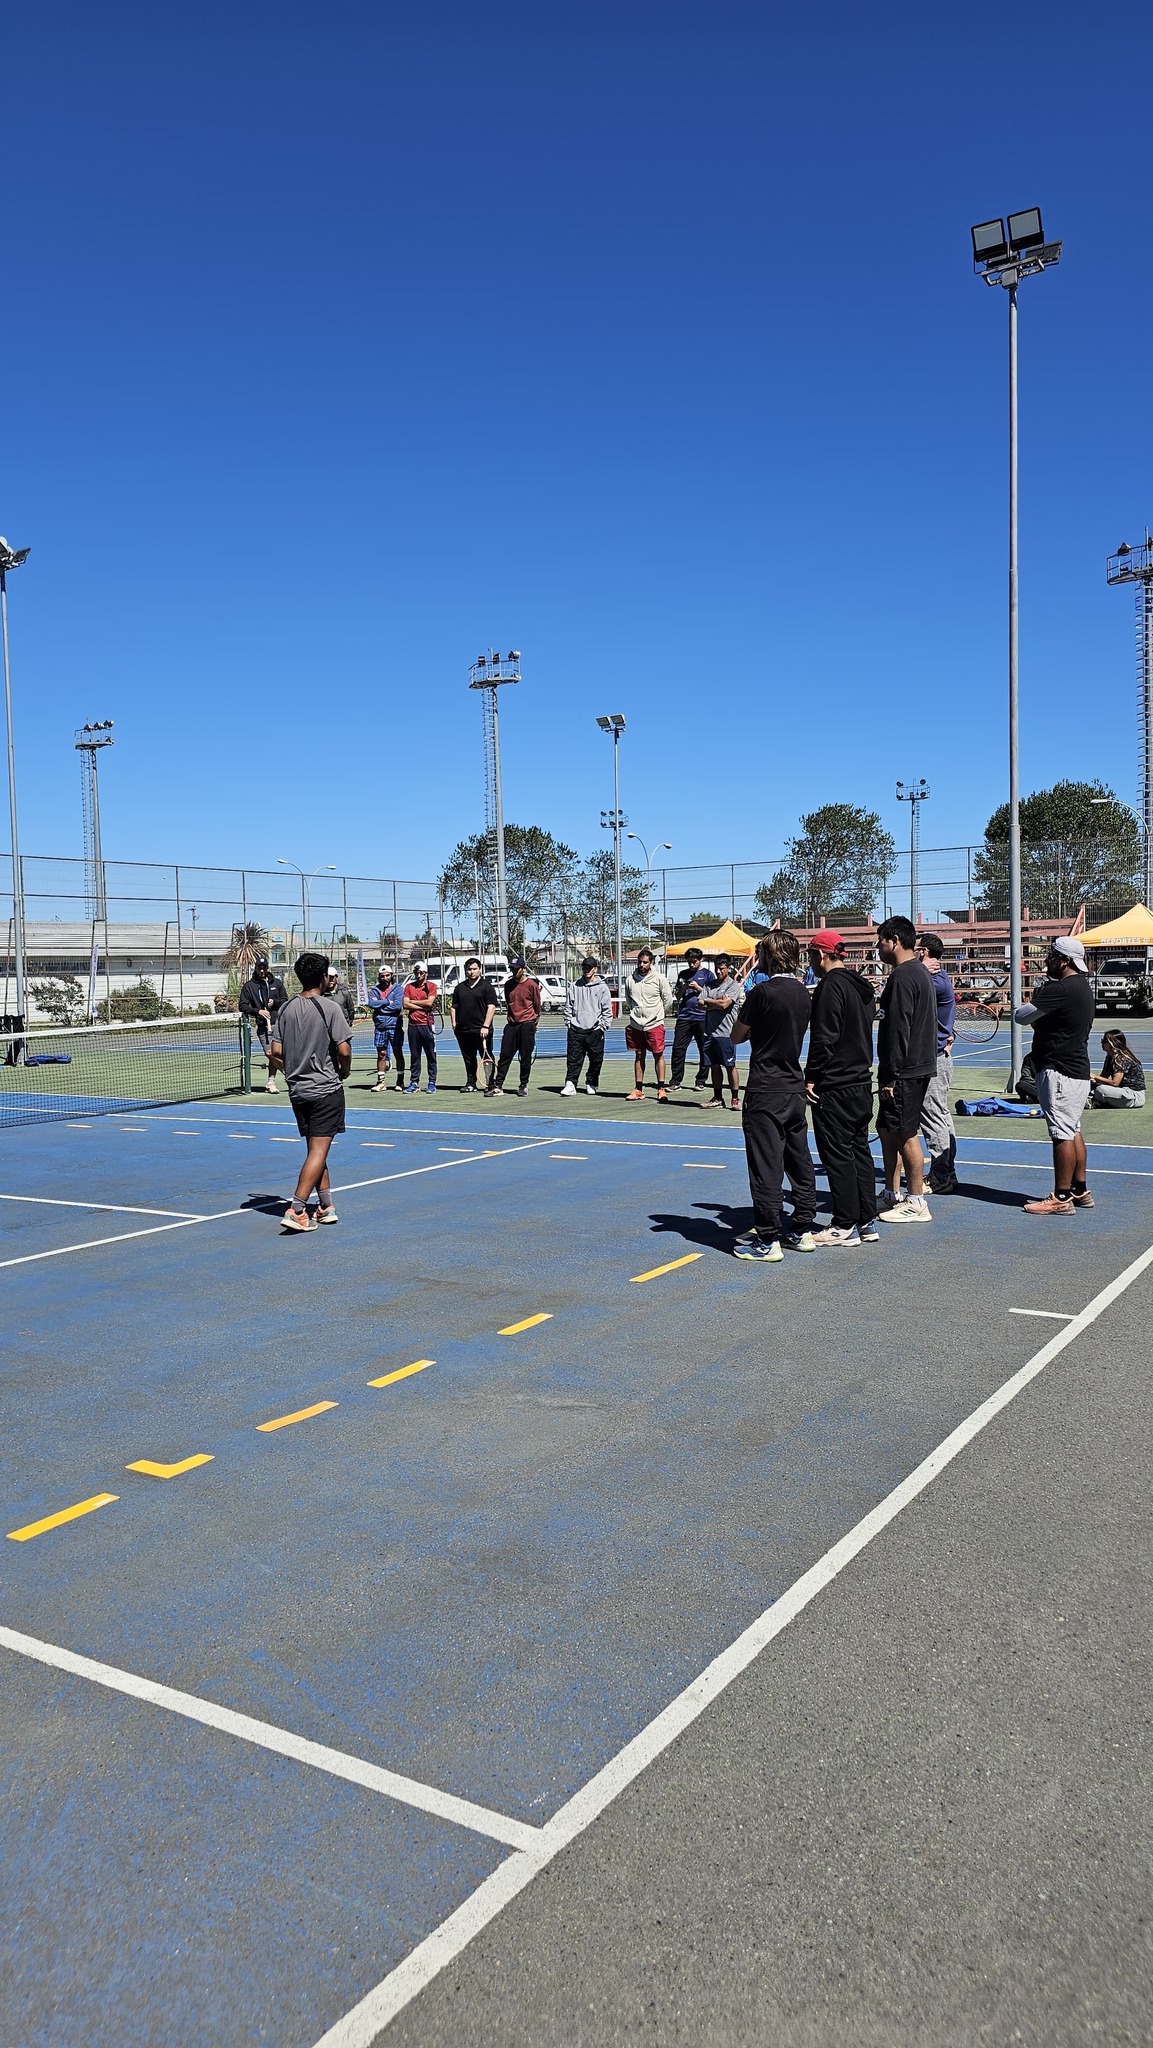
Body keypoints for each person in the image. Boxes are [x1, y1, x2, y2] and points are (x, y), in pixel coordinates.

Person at [729, 931, 817, 1259]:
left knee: (766, 1166)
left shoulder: (761, 992)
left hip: (766, 1087)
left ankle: (768, 1238)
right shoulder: (802, 992)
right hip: (794, 1085)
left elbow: (736, 1035)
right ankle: (802, 1228)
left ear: (768, 956)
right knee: (799, 1160)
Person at [804, 930, 880, 1247]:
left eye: (810, 955)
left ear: (822, 955)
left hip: (835, 1084)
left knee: (836, 1154)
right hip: (860, 1081)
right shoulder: (858, 986)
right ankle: (866, 1220)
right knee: (859, 1151)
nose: (809, 962)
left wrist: (812, 1076)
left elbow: (825, 1038)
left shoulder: (830, 987)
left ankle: (843, 1223)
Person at [270, 952, 352, 1233]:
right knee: (318, 1150)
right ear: (322, 978)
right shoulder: (330, 1008)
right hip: (326, 1090)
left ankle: (326, 1206)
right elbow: (344, 1050)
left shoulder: (286, 1008)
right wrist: (344, 1070)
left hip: (298, 1091)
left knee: (315, 1149)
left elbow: (276, 1052)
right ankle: (297, 1209)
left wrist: (291, 1070)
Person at [1014, 936, 1096, 1213]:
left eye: (1051, 955)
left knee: (1061, 1132)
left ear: (1063, 960)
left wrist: (1037, 1001)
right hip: (1077, 1069)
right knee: (1072, 1128)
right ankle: (1079, 1190)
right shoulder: (1082, 987)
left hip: (1059, 1069)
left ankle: (1061, 1198)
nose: (1047, 960)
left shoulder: (1060, 988)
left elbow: (1021, 1016)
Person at [875, 915, 937, 1222]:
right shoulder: (918, 972)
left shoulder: (903, 977)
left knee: (905, 1133)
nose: (878, 946)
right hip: (912, 1067)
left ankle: (916, 1200)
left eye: (881, 941)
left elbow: (899, 1030)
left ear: (894, 942)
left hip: (905, 1070)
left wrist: (890, 1074)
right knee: (887, 1129)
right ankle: (891, 1192)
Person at [915, 931, 959, 1194]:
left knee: (934, 1117)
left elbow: (907, 989)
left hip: (934, 1058)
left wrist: (916, 969)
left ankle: (942, 1173)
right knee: (940, 1115)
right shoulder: (933, 977)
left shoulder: (934, 981)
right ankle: (946, 1170)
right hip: (937, 1055)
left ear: (924, 952)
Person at [622, 948, 674, 1102]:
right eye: (639, 962)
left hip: (655, 1024)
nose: (642, 965)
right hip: (636, 1025)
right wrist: (636, 1014)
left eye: (645, 962)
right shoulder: (630, 980)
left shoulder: (660, 979)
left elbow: (668, 1000)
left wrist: (659, 1015)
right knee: (639, 1055)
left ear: (651, 963)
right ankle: (638, 1089)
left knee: (658, 1055)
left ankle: (661, 1089)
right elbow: (628, 1000)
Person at [561, 957, 613, 1096]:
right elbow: (568, 1007)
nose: (586, 970)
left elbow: (607, 1010)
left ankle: (591, 1082)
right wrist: (569, 1023)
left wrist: (602, 1027)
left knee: (596, 1060)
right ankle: (570, 1084)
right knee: (573, 1059)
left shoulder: (602, 988)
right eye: (584, 967)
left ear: (595, 969)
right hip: (576, 1030)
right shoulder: (575, 986)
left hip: (594, 1031)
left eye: (589, 968)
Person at [699, 952, 744, 1110]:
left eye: (722, 968)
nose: (718, 971)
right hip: (709, 1033)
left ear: (728, 968)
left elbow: (725, 1005)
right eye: (717, 968)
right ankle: (718, 1098)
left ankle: (735, 1098)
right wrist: (716, 1002)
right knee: (714, 1065)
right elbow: (699, 1003)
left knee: (730, 1066)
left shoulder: (733, 986)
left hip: (727, 1034)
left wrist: (710, 1001)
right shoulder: (709, 985)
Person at [491, 957, 541, 1096]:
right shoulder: (508, 985)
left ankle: (523, 1085)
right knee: (505, 1056)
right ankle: (498, 1085)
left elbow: (537, 1006)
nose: (514, 971)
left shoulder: (532, 985)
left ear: (523, 969)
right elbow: (509, 1003)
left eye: (516, 968)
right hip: (512, 1025)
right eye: (512, 968)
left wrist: (533, 1024)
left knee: (525, 1057)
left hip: (527, 1025)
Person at [239, 955, 288, 1093]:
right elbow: (242, 1005)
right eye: (259, 968)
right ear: (255, 968)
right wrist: (258, 1011)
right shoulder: (249, 986)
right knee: (269, 1052)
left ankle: (271, 1082)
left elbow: (285, 1000)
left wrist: (275, 1002)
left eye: (264, 968)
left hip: (279, 1023)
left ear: (267, 968)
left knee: (278, 1053)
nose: (262, 970)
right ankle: (289, 1073)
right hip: (263, 1026)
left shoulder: (276, 983)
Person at [669, 948, 714, 1090]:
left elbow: (713, 994)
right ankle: (675, 1081)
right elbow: (677, 996)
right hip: (684, 1016)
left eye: (694, 962)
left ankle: (701, 1080)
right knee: (678, 1048)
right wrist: (683, 988)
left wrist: (699, 988)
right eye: (689, 962)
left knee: (704, 1049)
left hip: (702, 1017)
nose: (691, 965)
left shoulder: (708, 975)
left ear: (700, 960)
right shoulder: (683, 974)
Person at [451, 956, 498, 1093]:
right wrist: (454, 1024)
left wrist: (485, 1026)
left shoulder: (487, 987)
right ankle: (471, 1083)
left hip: (482, 1030)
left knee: (487, 1057)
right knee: (468, 1058)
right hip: (463, 1030)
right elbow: (454, 1007)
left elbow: (491, 1007)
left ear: (479, 970)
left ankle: (490, 1083)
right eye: (469, 969)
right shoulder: (460, 988)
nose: (471, 972)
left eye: (474, 969)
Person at [403, 961, 439, 1094]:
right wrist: (422, 1006)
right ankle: (414, 1083)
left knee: (431, 1055)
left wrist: (413, 1002)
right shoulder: (408, 987)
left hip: (427, 1025)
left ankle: (432, 1083)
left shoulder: (432, 986)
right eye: (416, 973)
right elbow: (405, 1004)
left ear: (426, 974)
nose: (418, 975)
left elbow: (430, 1002)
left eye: (421, 973)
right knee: (415, 1056)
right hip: (413, 1026)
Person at [367, 966, 406, 1090]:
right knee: (381, 1054)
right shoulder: (375, 990)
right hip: (380, 1027)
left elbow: (397, 1006)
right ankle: (381, 1082)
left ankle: (400, 1081)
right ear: (379, 977)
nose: (385, 978)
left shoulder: (398, 989)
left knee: (397, 1053)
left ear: (392, 975)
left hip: (395, 1026)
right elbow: (372, 1004)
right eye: (382, 976)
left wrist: (381, 1006)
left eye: (387, 975)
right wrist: (386, 1002)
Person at [1091, 1029, 1146, 1108]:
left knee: (1101, 1089)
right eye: (1102, 1040)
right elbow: (1103, 1078)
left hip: (1133, 1095)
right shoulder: (1110, 1057)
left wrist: (1095, 1077)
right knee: (1091, 1086)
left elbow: (1115, 1083)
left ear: (1113, 1043)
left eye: (1105, 1041)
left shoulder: (1121, 1058)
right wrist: (1092, 1081)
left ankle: (1096, 1102)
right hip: (1122, 1092)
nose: (1102, 1043)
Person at [325, 964, 356, 1031]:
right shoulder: (321, 994)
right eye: (328, 977)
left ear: (336, 977)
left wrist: (348, 1023)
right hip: (327, 1029)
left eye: (332, 977)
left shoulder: (345, 992)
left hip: (343, 1029)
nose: (330, 980)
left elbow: (351, 1010)